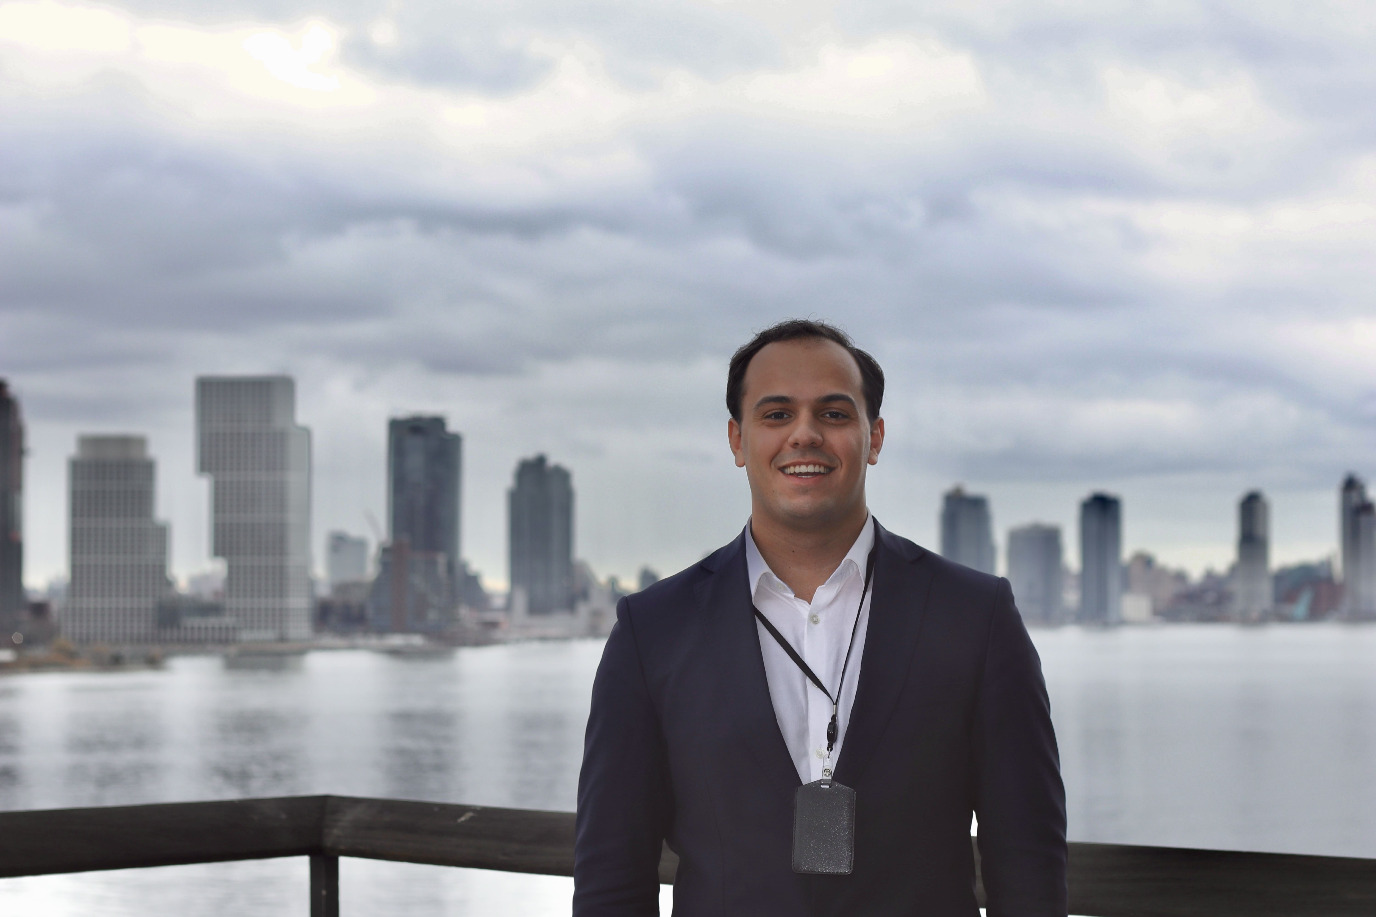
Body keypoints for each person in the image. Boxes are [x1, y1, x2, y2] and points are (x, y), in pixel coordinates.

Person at [574, 319, 1067, 916]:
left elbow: (1029, 861)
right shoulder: (653, 629)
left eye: (833, 414)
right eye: (777, 414)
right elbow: (611, 875)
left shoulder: (976, 616)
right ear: (737, 440)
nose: (804, 434)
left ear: (874, 437)